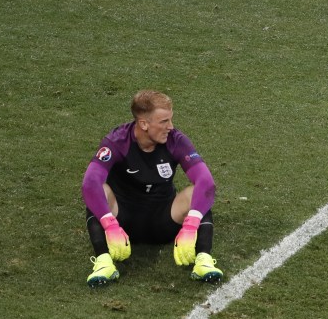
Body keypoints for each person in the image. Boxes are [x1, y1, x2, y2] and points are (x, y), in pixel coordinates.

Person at [81, 90, 223, 287]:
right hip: (123, 221)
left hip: (163, 220)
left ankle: (204, 261)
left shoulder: (176, 141)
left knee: (197, 193)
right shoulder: (117, 141)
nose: (170, 127)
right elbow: (90, 182)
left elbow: (206, 183)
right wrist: (110, 225)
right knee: (99, 191)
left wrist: (191, 225)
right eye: (164, 121)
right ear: (144, 124)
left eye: (170, 120)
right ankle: (103, 262)